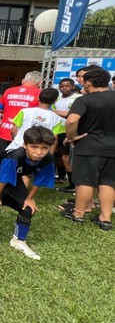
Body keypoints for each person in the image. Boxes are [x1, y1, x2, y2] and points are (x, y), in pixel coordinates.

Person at [0, 126, 56, 260]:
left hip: (14, 176)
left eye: (44, 148)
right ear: (25, 145)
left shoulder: (48, 159)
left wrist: (29, 198)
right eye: (34, 147)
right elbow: (3, 179)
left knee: (27, 208)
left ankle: (18, 240)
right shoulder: (15, 156)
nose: (39, 152)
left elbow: (39, 181)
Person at [63, 68, 115, 231]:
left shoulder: (84, 100)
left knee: (85, 181)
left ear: (89, 82)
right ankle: (105, 218)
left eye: (84, 81)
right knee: (108, 183)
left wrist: (71, 136)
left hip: (89, 145)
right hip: (112, 147)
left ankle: (78, 214)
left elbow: (71, 121)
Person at [0, 71, 42, 153]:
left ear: (23, 81)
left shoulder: (9, 91)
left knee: (2, 158)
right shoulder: (40, 93)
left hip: (5, 131)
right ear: (39, 83)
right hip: (25, 135)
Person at [6, 87, 64, 152]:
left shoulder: (24, 112)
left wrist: (17, 141)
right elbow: (54, 138)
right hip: (38, 152)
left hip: (18, 146)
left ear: (38, 98)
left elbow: (13, 130)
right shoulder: (57, 118)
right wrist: (50, 154)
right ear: (55, 101)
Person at [51, 78, 80, 184]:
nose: (64, 88)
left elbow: (71, 115)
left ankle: (73, 183)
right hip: (57, 129)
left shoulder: (78, 98)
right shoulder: (56, 98)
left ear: (73, 86)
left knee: (66, 157)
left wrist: (55, 111)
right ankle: (61, 176)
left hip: (71, 130)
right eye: (62, 86)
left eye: (67, 86)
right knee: (58, 154)